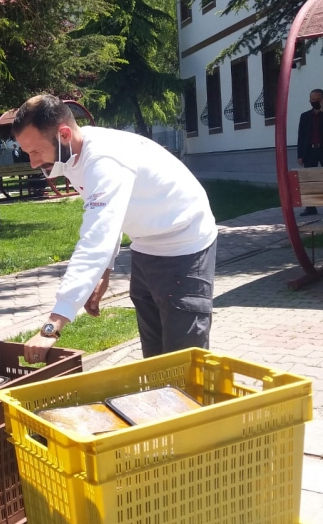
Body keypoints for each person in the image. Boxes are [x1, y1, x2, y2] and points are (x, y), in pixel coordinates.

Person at [13, 94, 218, 364]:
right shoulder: (72, 155)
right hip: (145, 245)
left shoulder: (104, 160)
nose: (34, 163)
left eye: (36, 151)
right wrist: (105, 269)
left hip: (185, 246)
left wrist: (54, 323)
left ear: (63, 134)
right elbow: (110, 217)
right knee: (155, 358)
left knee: (184, 359)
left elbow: (95, 238)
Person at [296, 89, 323, 215]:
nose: (314, 102)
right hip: (310, 150)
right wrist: (300, 155)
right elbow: (301, 135)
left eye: (317, 99)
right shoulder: (305, 116)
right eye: (312, 100)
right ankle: (311, 207)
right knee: (309, 179)